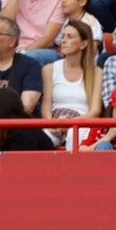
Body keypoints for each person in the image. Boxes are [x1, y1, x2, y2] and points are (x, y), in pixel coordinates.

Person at [41, 19, 101, 147]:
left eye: (70, 37)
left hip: (83, 122)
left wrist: (72, 122)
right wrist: (52, 124)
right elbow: (46, 106)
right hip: (55, 123)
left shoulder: (96, 72)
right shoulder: (49, 69)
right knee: (40, 138)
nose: (63, 41)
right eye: (63, 36)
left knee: (74, 136)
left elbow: (95, 110)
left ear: (83, 44)